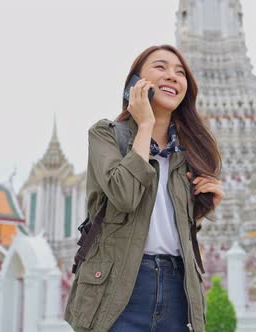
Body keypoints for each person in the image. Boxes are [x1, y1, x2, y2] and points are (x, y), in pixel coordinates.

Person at [64, 44, 224, 332]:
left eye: (180, 72)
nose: (173, 76)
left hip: (178, 286)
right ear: (135, 82)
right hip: (119, 285)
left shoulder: (189, 150)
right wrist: (146, 123)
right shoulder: (106, 134)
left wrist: (204, 204)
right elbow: (125, 196)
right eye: (161, 67)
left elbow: (166, 223)